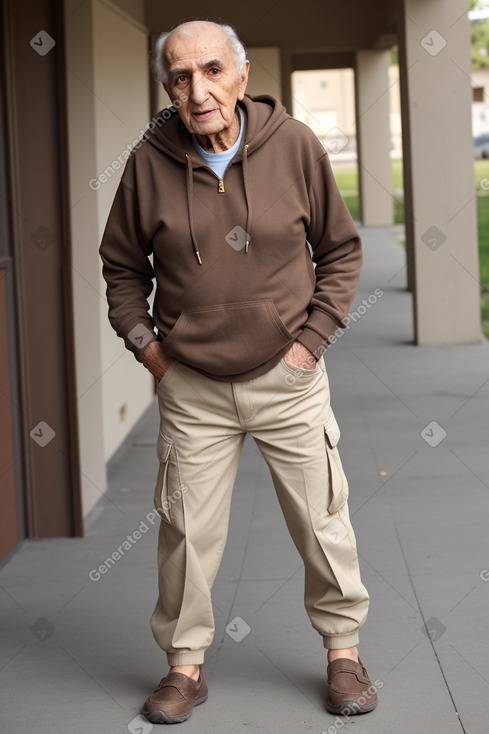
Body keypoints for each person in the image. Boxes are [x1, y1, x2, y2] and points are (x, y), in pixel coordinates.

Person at [99, 18, 378, 725]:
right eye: (181, 77)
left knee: (321, 523)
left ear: (242, 75)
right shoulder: (146, 161)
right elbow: (121, 271)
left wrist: (308, 345)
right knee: (186, 534)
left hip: (288, 378)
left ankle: (342, 654)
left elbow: (340, 253)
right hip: (192, 386)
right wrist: (152, 353)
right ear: (168, 86)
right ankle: (183, 668)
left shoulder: (294, 147)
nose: (199, 91)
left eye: (212, 71)